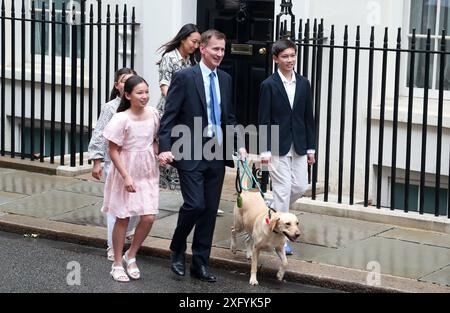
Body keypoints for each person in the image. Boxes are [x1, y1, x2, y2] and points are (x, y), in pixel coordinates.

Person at [158, 29, 246, 282]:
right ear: (202, 49)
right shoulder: (185, 77)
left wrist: (238, 143)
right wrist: (165, 146)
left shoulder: (226, 79)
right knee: (195, 204)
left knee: (209, 210)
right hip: (189, 150)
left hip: (216, 152)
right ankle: (177, 248)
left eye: (223, 49)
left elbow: (229, 117)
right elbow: (170, 116)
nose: (220, 54)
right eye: (215, 49)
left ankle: (200, 262)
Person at [258, 39, 316, 255]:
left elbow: (308, 117)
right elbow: (263, 119)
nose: (289, 60)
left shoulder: (303, 83)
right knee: (282, 190)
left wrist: (311, 148)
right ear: (275, 59)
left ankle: (273, 209)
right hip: (276, 145)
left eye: (292, 55)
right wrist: (264, 150)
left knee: (300, 186)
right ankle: (282, 240)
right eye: (285, 56)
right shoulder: (268, 85)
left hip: (299, 143)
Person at [102, 76, 160, 282]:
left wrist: (158, 153)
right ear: (127, 95)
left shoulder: (153, 114)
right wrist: (126, 176)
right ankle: (117, 263)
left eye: (146, 92)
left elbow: (153, 140)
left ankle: (131, 254)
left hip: (148, 171)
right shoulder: (121, 119)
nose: (145, 96)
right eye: (139, 93)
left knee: (149, 216)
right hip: (126, 170)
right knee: (123, 218)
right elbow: (113, 150)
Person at [88, 68, 139, 261]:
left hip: (135, 163)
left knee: (135, 205)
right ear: (117, 86)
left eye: (130, 79)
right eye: (123, 81)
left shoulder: (139, 105)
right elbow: (100, 133)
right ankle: (112, 247)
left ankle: (128, 230)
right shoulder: (110, 107)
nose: (127, 83)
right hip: (113, 163)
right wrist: (97, 161)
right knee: (116, 206)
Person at [156, 23, 201, 116]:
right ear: (183, 39)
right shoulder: (169, 57)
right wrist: (176, 104)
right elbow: (164, 86)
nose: (196, 46)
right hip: (169, 110)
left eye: (198, 43)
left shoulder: (192, 60)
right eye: (194, 41)